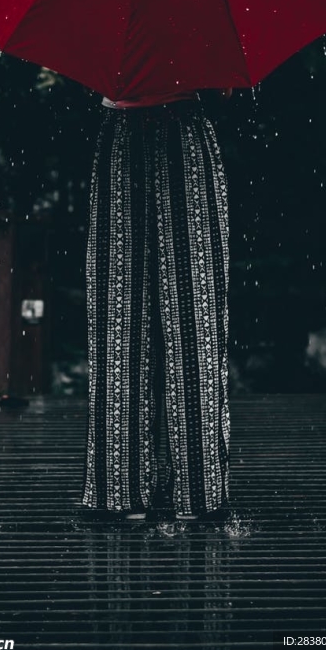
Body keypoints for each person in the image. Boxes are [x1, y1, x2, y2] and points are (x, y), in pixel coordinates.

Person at [81, 86, 232, 521]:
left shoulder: (107, 18)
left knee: (126, 320)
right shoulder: (204, 22)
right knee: (190, 320)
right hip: (167, 132)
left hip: (141, 132)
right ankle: (193, 494)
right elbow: (226, 93)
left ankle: (122, 490)